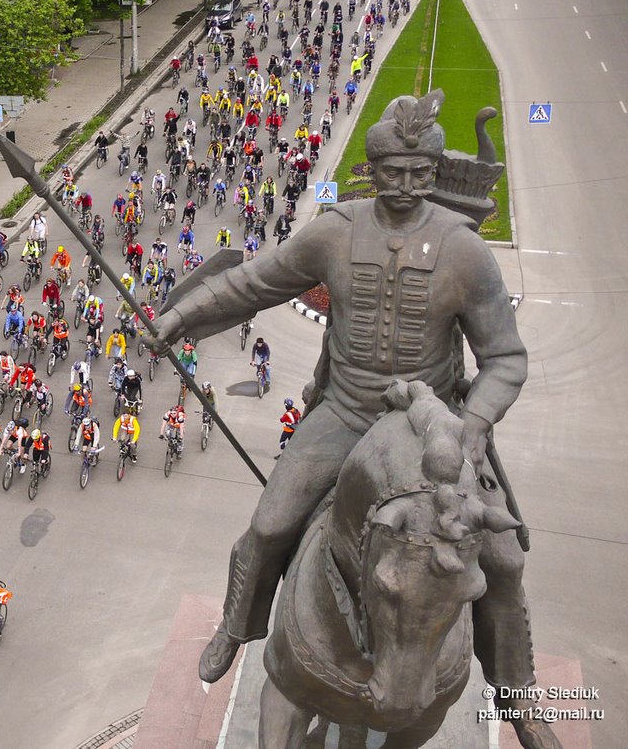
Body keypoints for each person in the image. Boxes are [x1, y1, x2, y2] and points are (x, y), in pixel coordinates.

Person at [143, 92, 557, 747]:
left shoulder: (464, 251)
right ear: (372, 169)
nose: (405, 186)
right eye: (392, 173)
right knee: (270, 522)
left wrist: (474, 422)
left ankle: (519, 692)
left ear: (432, 174)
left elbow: (504, 357)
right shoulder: (336, 230)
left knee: (502, 558)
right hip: (345, 411)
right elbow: (253, 282)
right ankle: (236, 623)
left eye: (419, 174)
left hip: (434, 429)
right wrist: (178, 317)